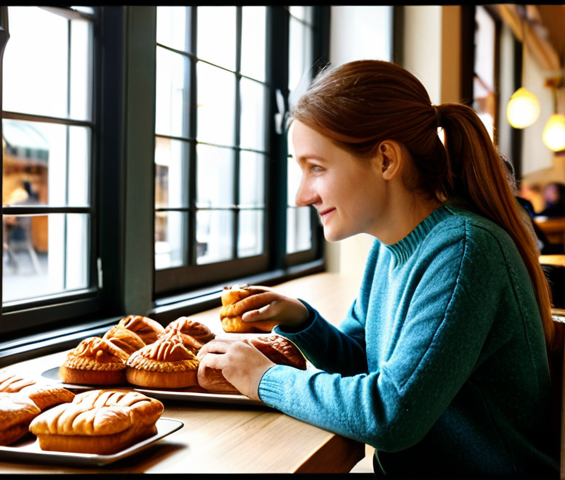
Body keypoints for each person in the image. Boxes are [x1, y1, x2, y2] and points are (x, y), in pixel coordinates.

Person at [198, 60, 559, 477]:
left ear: (386, 160)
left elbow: (390, 414)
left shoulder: (464, 251)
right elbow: (367, 367)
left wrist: (264, 379)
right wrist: (302, 322)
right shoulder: (389, 250)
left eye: (316, 168)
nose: (301, 196)